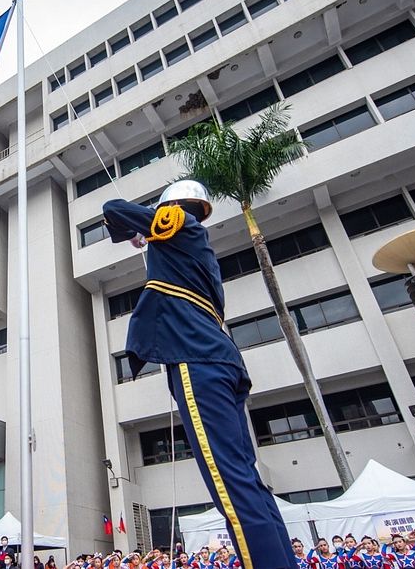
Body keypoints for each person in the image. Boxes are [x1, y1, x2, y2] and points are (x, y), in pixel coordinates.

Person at [102, 181, 292, 569]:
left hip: (197, 359)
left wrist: (140, 228)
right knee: (246, 481)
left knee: (230, 486)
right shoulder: (193, 249)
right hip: (220, 360)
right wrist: (143, 233)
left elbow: (113, 207)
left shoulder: (179, 222)